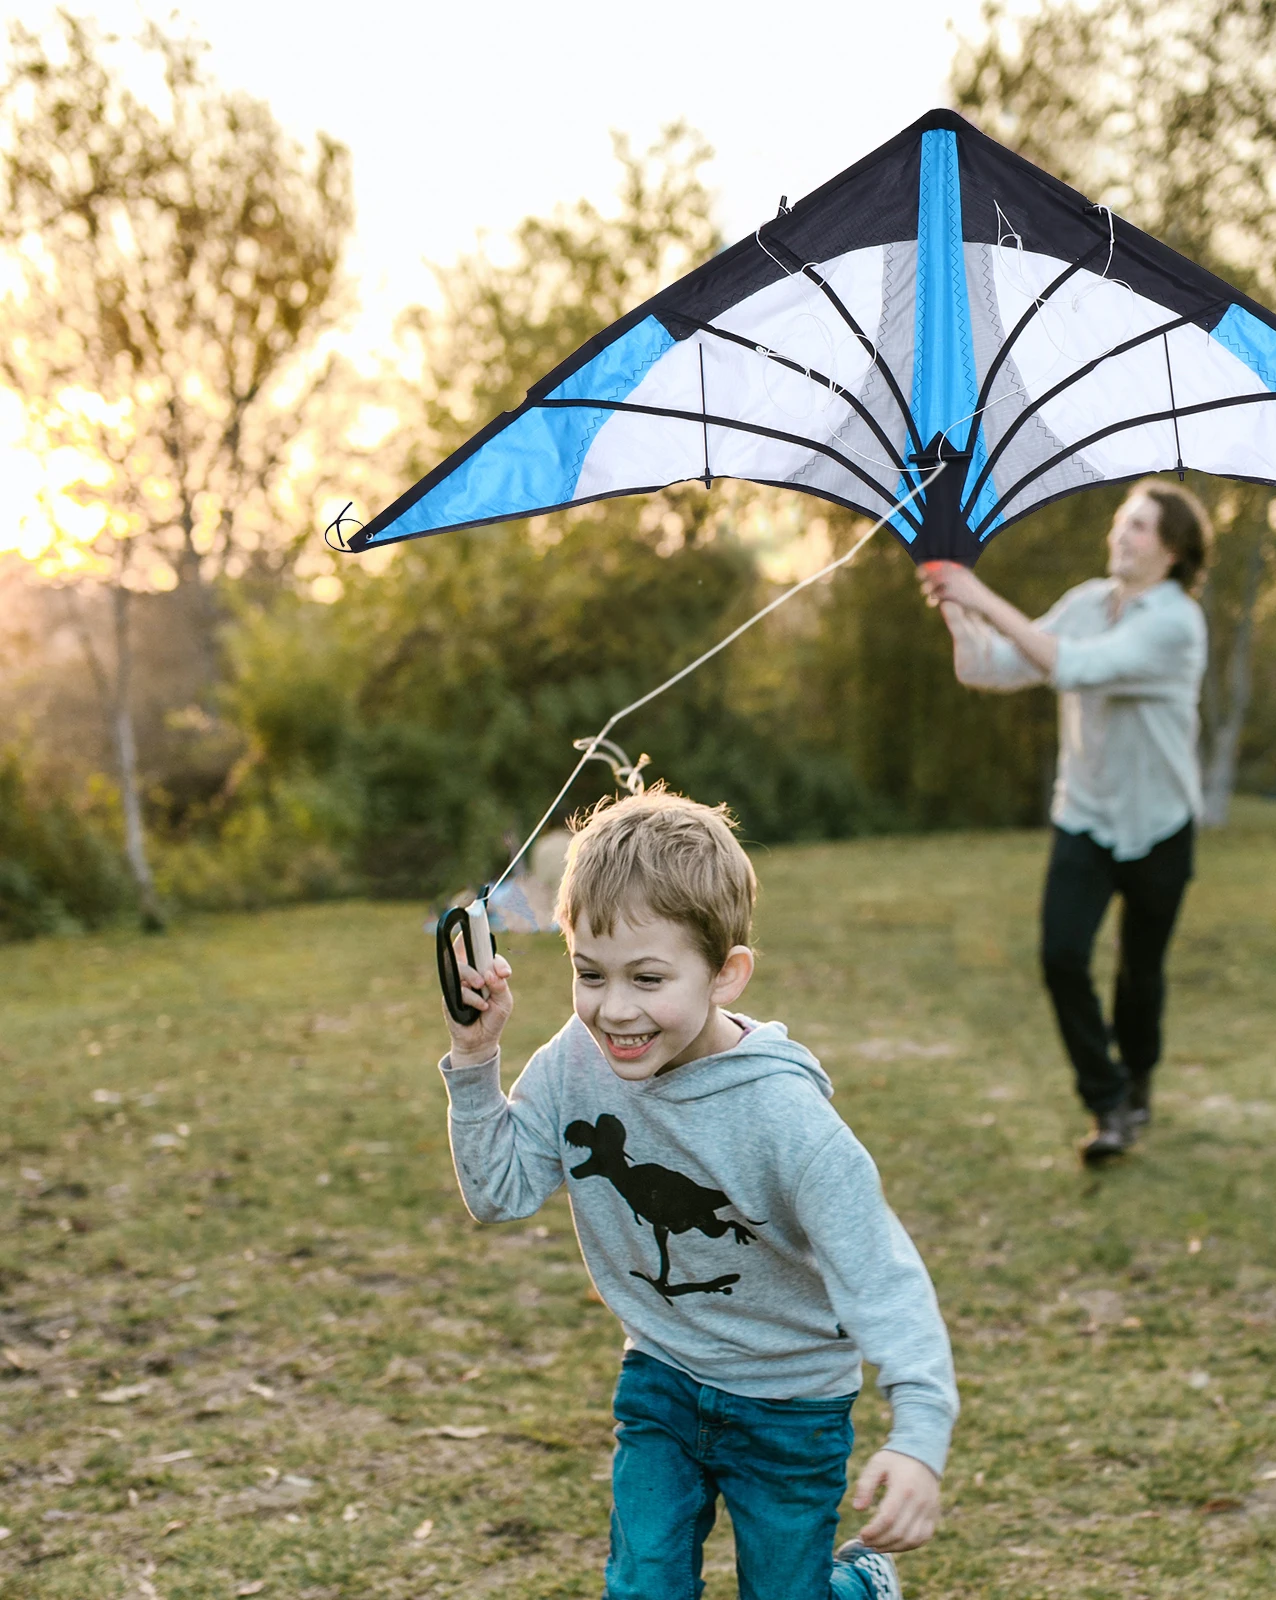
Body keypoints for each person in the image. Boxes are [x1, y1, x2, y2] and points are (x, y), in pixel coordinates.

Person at [437, 787, 957, 1600]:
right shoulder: (576, 1061)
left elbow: (881, 1273)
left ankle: (859, 1588)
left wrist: (921, 1434)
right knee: (643, 1587)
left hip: (791, 1406)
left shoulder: (788, 1121)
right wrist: (476, 1061)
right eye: (589, 974)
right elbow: (499, 1193)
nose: (615, 1010)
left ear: (726, 974)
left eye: (648, 977)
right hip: (662, 1380)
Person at [919, 479, 1210, 1165]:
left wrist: (980, 591)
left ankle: (1136, 1084)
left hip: (1161, 823)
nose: (1120, 534)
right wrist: (956, 610)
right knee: (1061, 956)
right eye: (1121, 522)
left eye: (1138, 526)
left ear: (1171, 550)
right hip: (1084, 813)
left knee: (1140, 975)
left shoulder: (1174, 622)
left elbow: (1075, 669)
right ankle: (1107, 1103)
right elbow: (990, 667)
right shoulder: (1085, 602)